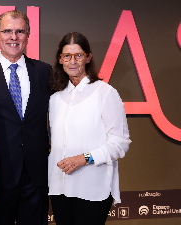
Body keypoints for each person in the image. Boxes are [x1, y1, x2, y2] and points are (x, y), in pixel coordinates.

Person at [0, 10, 53, 225]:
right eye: (7, 31)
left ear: (27, 35)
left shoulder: (45, 73)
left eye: (19, 31)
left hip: (37, 175)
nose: (13, 37)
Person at [48, 32, 132, 225]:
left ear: (88, 57)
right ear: (60, 59)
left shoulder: (106, 93)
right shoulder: (54, 98)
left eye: (79, 55)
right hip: (60, 188)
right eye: (67, 56)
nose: (73, 61)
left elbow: (120, 143)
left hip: (93, 188)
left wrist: (84, 158)